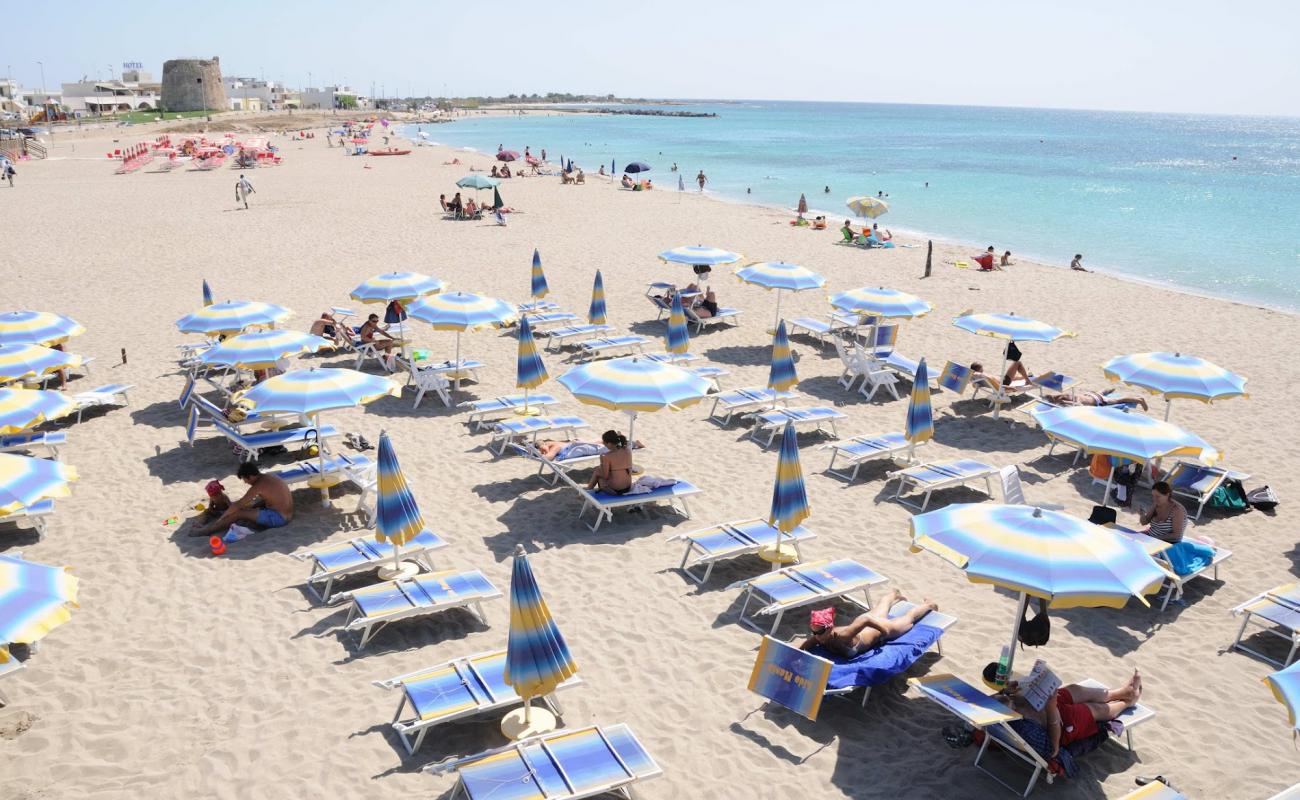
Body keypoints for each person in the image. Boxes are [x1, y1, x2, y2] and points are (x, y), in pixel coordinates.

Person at [996, 669, 1142, 759]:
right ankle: (1128, 702)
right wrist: (1052, 708)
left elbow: (1001, 699)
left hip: (1044, 703)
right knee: (1095, 710)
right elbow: (1052, 750)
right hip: (1060, 723)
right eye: (1009, 701)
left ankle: (1122, 692)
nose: (1008, 699)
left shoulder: (991, 707)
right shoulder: (1026, 730)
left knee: (1075, 689)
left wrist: (1009, 691)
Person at [799, 590, 939, 657]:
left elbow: (865, 620)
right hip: (866, 625)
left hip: (878, 630)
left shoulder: (843, 636)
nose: (816, 636)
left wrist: (884, 632)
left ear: (829, 628)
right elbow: (802, 646)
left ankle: (928, 605)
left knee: (908, 620)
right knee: (881, 607)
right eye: (813, 631)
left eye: (819, 632)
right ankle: (893, 594)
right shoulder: (820, 636)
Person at [191, 462, 294, 537]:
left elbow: (239, 504)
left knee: (239, 513)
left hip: (279, 518)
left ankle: (207, 531)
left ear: (250, 476)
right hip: (287, 513)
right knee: (254, 505)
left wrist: (221, 518)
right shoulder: (269, 477)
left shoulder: (258, 485)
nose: (245, 482)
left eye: (245, 479)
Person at [586, 430, 634, 494]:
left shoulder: (606, 456)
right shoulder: (627, 450)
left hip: (615, 490)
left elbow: (605, 476)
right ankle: (588, 490)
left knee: (597, 471)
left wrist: (601, 461)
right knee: (604, 470)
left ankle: (588, 491)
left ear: (609, 443)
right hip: (627, 487)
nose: (604, 445)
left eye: (604, 443)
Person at [1044, 388, 1149, 410]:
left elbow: (1079, 406)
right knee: (1101, 392)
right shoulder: (1073, 395)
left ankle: (1139, 400)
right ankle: (1109, 390)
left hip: (1098, 400)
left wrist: (1064, 402)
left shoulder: (1077, 400)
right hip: (1090, 393)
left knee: (1120, 400)